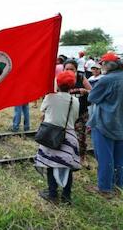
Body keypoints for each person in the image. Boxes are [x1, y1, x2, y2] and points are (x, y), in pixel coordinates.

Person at [87, 52, 123, 197]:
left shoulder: (106, 80)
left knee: (104, 156)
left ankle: (104, 188)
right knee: (119, 157)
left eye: (102, 64)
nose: (101, 67)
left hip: (104, 122)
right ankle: (118, 186)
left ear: (108, 65)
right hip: (120, 122)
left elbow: (92, 97)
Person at [35, 71, 81, 204]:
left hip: (52, 135)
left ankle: (52, 194)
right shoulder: (75, 100)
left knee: (50, 164)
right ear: (72, 85)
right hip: (69, 136)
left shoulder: (50, 97)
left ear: (58, 83)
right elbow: (75, 117)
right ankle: (66, 196)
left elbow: (42, 110)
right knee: (67, 166)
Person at [63, 59, 92, 167]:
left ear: (76, 70)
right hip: (66, 113)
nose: (69, 71)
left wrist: (85, 91)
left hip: (81, 113)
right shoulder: (61, 78)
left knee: (80, 137)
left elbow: (92, 91)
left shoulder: (81, 77)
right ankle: (66, 155)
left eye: (72, 69)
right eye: (67, 69)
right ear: (63, 69)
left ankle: (82, 157)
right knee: (65, 136)